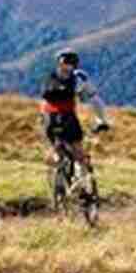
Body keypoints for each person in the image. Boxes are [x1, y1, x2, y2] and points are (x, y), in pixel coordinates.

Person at [40, 50, 109, 180]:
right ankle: (82, 183)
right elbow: (95, 100)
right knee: (78, 151)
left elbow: (44, 101)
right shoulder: (78, 78)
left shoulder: (49, 77)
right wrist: (102, 120)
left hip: (49, 119)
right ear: (75, 64)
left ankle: (57, 171)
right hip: (68, 118)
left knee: (56, 149)